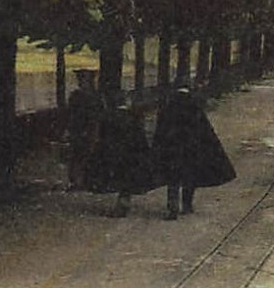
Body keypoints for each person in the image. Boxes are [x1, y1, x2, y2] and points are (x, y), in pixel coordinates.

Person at [151, 80, 236, 220]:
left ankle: (172, 207)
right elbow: (204, 130)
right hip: (191, 149)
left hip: (172, 149)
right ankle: (187, 205)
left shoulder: (168, 105)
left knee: (173, 179)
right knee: (189, 177)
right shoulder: (194, 106)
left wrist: (158, 148)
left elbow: (161, 129)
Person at [85, 89, 157, 217]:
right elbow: (140, 137)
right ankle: (123, 201)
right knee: (127, 179)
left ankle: (121, 204)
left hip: (112, 154)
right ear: (126, 101)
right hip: (130, 155)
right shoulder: (133, 117)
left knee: (117, 178)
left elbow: (102, 137)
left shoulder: (108, 117)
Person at [65, 69, 101, 191]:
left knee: (88, 154)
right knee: (76, 154)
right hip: (77, 129)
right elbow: (70, 114)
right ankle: (75, 181)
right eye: (80, 79)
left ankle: (87, 180)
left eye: (84, 79)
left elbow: (97, 114)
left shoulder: (95, 96)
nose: (82, 82)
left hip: (90, 129)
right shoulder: (75, 95)